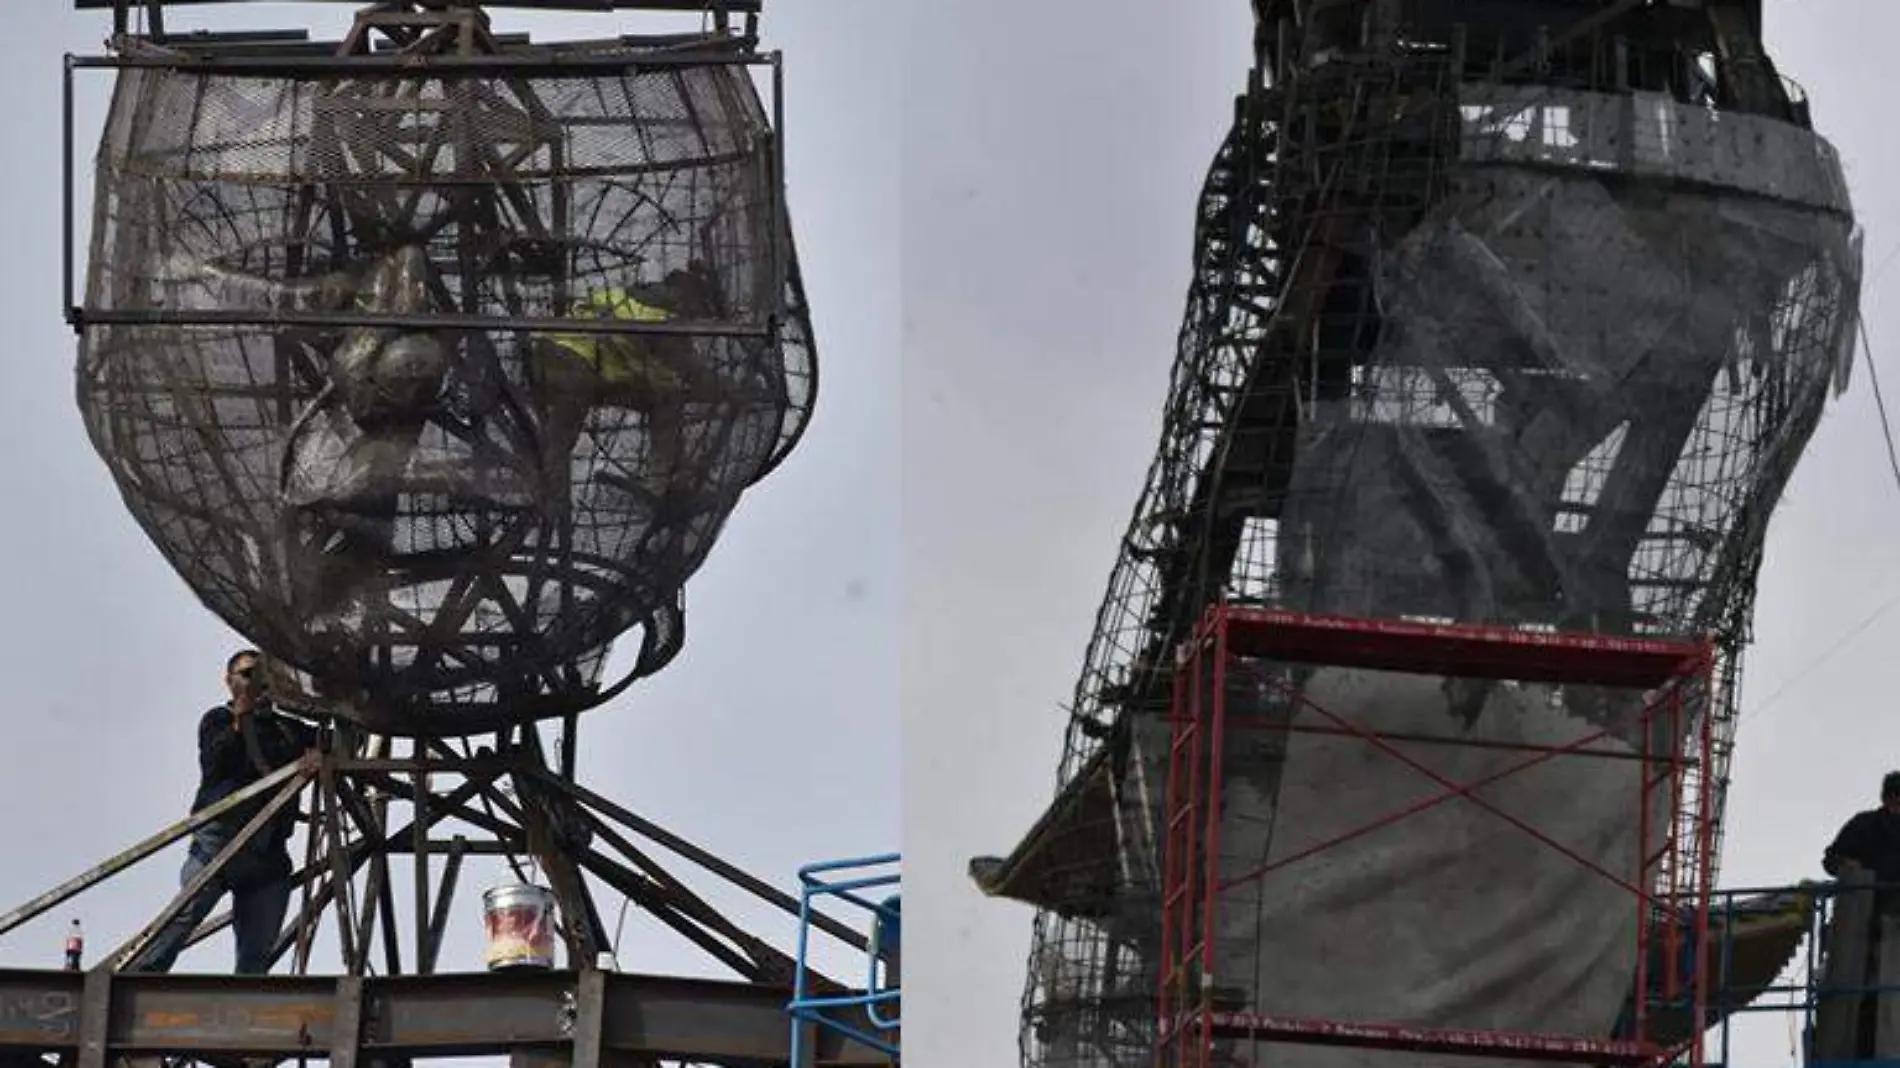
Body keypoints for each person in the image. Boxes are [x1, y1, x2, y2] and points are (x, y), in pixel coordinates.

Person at [126, 650, 318, 975]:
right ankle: (138, 978)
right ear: (229, 681)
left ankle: (246, 1011)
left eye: (261, 675)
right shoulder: (216, 720)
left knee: (257, 952)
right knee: (183, 918)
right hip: (220, 841)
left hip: (268, 852)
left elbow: (344, 742)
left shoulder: (289, 729)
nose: (254, 681)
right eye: (246, 674)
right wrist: (240, 719)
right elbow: (217, 762)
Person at [1822, 771, 1900, 888]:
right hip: (1867, 898)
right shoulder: (1864, 824)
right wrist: (1845, 864)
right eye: (1894, 799)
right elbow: (1831, 860)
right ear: (1885, 799)